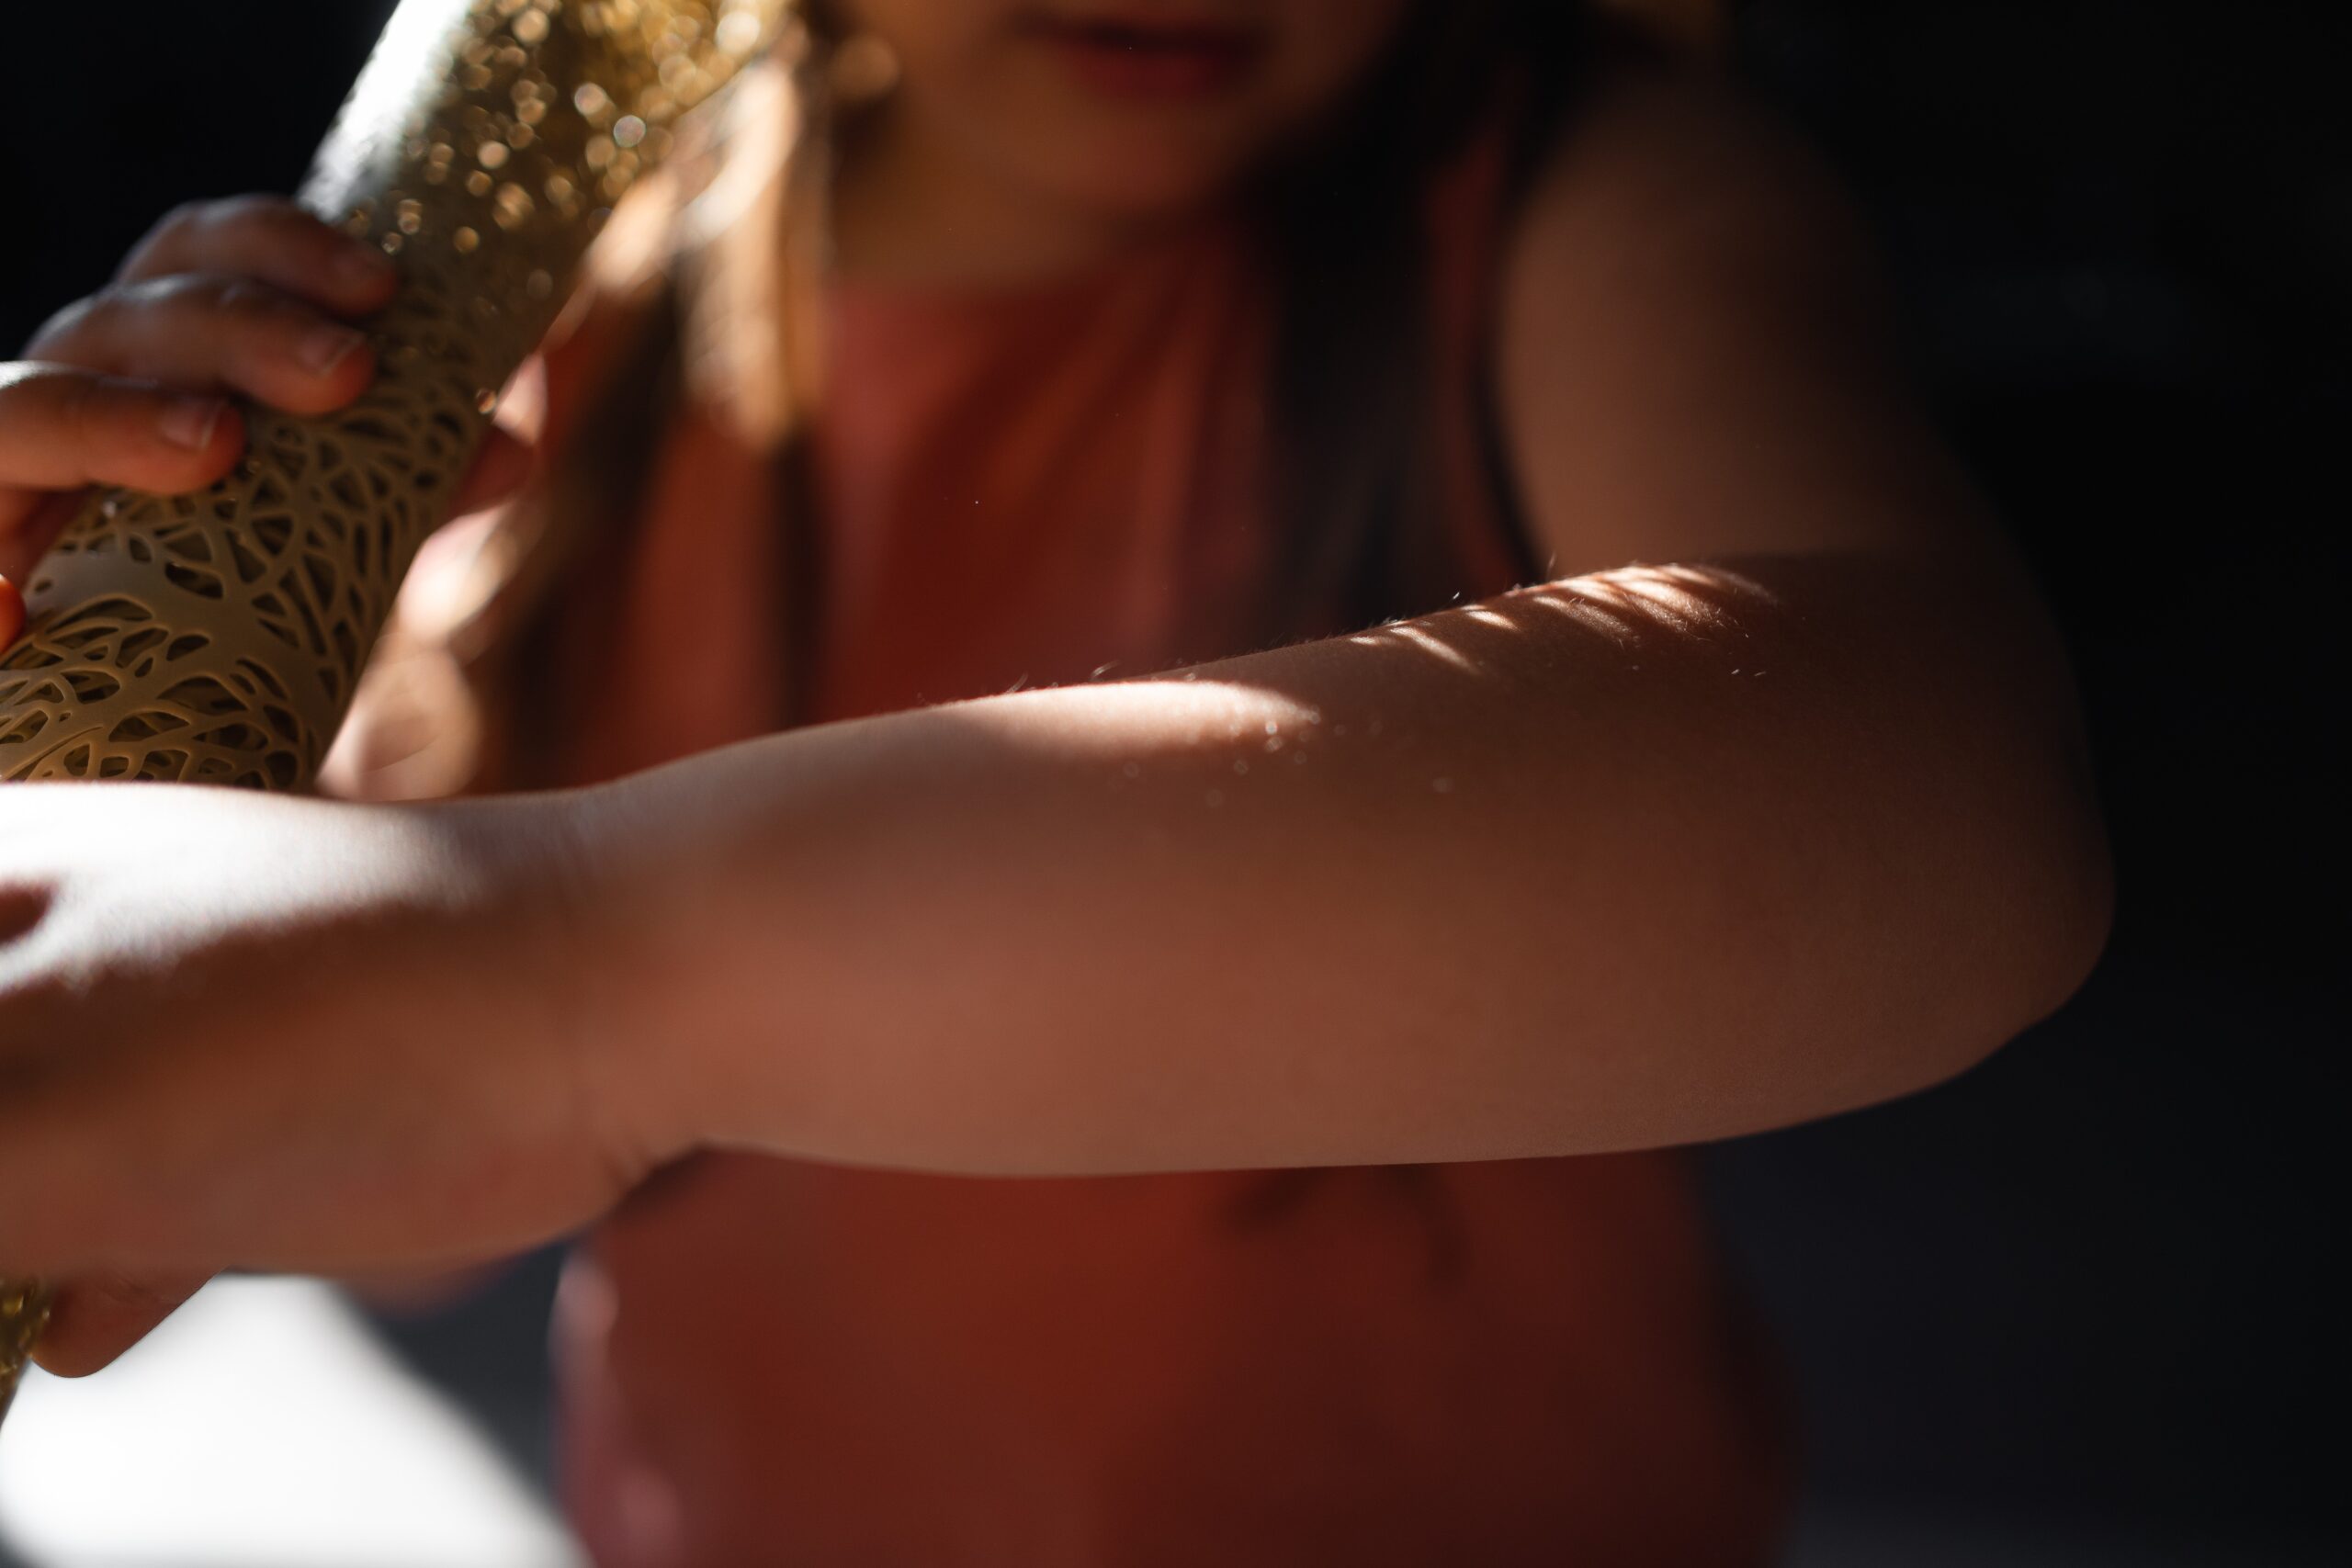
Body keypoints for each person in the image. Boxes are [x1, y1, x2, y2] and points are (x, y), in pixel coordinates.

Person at [0, 1, 2113, 1562]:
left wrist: (545, 980)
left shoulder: (1574, 197)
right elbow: (404, 1220)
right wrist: (162, 716)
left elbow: (1955, 814)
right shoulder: (584, 312)